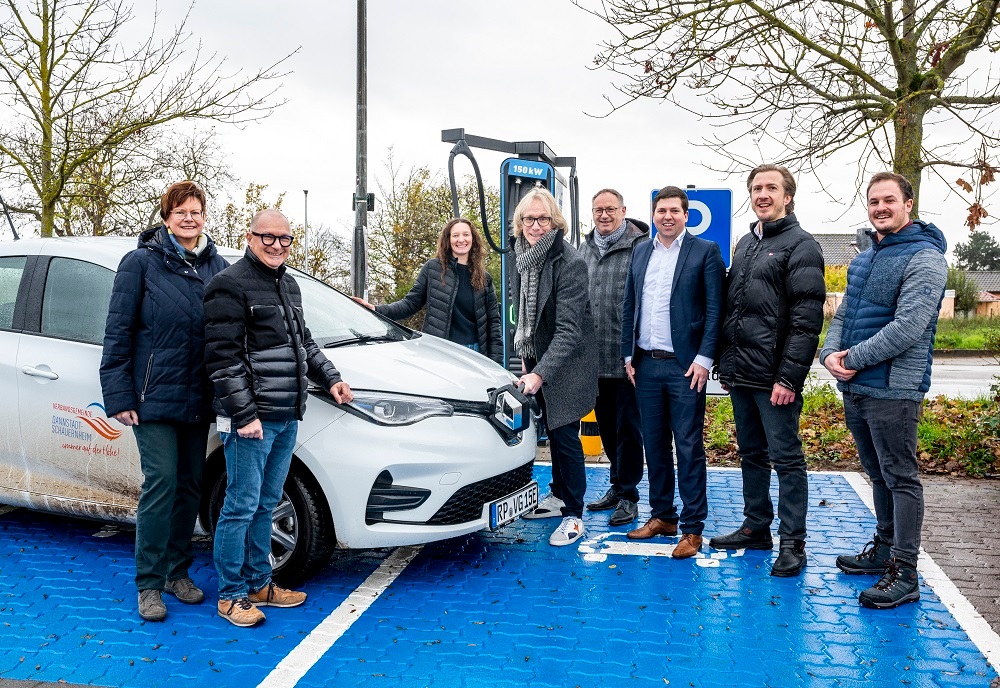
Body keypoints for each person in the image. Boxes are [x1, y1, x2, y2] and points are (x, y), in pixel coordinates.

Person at [203, 209, 354, 627]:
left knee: (266, 503)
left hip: (287, 414)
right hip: (252, 420)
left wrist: (332, 378)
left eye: (284, 238)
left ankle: (258, 583)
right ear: (249, 237)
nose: (276, 244)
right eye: (267, 237)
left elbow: (303, 343)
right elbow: (222, 359)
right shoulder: (227, 286)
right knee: (240, 504)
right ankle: (231, 595)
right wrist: (244, 414)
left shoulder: (289, 284)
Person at [100, 180, 229, 622]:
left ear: (204, 215)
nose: (188, 218)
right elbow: (117, 332)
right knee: (161, 485)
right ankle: (149, 585)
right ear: (166, 216)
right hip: (151, 397)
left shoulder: (217, 266)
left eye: (195, 211)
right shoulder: (139, 263)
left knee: (191, 486)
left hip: (199, 396)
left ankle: (178, 573)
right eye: (180, 212)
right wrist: (118, 394)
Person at [821, 172, 947, 609]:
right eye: (874, 201)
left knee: (901, 477)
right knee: (877, 475)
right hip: (856, 388)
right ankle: (884, 547)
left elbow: (909, 327)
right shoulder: (864, 257)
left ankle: (905, 571)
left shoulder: (926, 258)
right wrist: (829, 354)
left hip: (895, 388)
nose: (880, 208)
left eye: (889, 200)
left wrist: (850, 360)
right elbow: (842, 316)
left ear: (908, 204)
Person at [710, 165, 825, 577]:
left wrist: (789, 378)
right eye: (756, 188)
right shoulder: (745, 244)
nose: (762, 194)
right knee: (751, 455)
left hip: (776, 379)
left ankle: (794, 542)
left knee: (787, 459)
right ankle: (756, 526)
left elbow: (806, 321)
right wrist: (726, 363)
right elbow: (733, 311)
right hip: (742, 375)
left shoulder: (802, 246)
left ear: (787, 196)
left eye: (771, 188)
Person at [620, 186, 725, 558]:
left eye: (674, 211)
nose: (667, 216)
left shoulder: (704, 252)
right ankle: (662, 516)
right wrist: (627, 354)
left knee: (688, 447)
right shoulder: (640, 251)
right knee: (655, 446)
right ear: (653, 215)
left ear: (685, 215)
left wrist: (704, 358)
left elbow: (715, 310)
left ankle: (692, 528)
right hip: (645, 365)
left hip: (686, 368)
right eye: (661, 210)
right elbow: (630, 304)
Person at [513, 188, 598, 547]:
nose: (535, 225)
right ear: (520, 222)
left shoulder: (570, 262)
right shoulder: (523, 256)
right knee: (551, 426)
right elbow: (526, 314)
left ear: (554, 221)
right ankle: (559, 494)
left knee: (564, 435)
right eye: (529, 219)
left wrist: (539, 372)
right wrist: (526, 356)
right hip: (539, 355)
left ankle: (575, 515)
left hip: (569, 359)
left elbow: (568, 330)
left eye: (543, 218)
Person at [580, 189, 649, 526]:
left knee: (629, 430)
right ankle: (616, 485)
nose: (603, 215)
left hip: (627, 359)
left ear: (623, 210)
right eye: (597, 210)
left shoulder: (640, 247)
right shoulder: (585, 246)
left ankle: (629, 496)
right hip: (594, 357)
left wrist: (635, 350)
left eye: (609, 209)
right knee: (607, 426)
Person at [354, 218, 502, 364]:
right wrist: (376, 309)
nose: (461, 239)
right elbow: (410, 304)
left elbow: (493, 324)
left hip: (474, 353)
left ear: (473, 239)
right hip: (440, 351)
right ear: (448, 240)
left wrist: (496, 363)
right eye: (455, 235)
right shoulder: (433, 269)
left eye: (466, 234)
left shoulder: (484, 278)